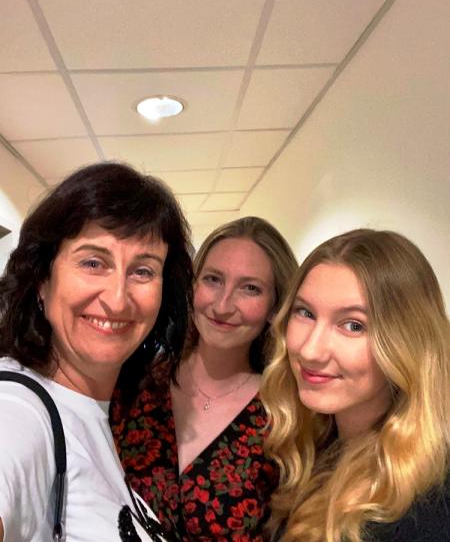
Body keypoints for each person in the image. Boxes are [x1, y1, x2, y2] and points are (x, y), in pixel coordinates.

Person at [0, 162, 193, 541]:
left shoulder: (93, 409)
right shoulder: (19, 409)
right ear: (42, 280)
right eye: (93, 263)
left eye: (142, 271)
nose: (118, 300)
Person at [112, 217, 298, 541]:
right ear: (193, 285)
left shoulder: (285, 415)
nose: (223, 305)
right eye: (213, 279)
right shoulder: (135, 382)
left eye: (250, 288)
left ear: (275, 307)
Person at [260, 229, 450, 542]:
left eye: (353, 325)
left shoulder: (430, 502)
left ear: (406, 342)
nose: (310, 350)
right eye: (305, 313)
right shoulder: (321, 443)